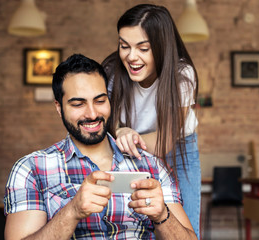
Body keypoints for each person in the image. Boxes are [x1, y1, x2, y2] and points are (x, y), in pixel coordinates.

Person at [3, 54, 197, 240]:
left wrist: (162, 215)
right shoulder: (31, 169)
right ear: (58, 107)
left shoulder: (152, 166)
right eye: (78, 104)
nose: (92, 113)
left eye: (100, 101)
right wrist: (72, 211)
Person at [102, 4, 201, 237]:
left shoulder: (181, 76)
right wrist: (120, 131)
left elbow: (165, 140)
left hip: (177, 147)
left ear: (161, 47)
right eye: (124, 46)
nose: (131, 56)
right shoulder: (112, 72)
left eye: (143, 48)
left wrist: (127, 136)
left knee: (183, 227)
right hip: (127, 147)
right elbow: (106, 122)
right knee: (136, 221)